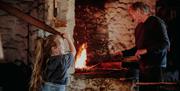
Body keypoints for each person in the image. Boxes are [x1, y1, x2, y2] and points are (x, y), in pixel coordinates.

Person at [120, 2, 170, 91]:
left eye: (132, 14)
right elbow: (138, 48)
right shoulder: (139, 27)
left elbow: (165, 43)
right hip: (143, 67)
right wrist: (123, 53)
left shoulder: (156, 22)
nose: (132, 17)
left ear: (139, 11)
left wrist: (146, 50)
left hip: (156, 67)